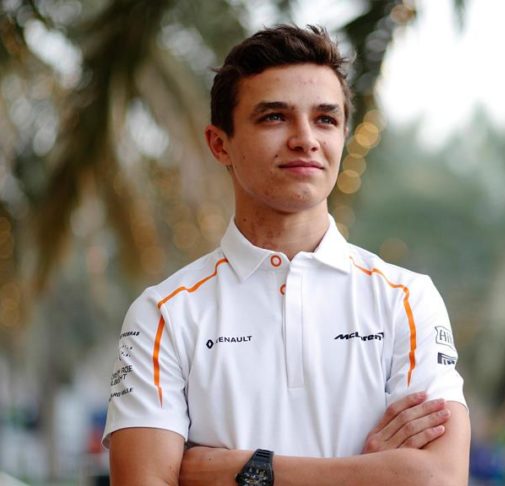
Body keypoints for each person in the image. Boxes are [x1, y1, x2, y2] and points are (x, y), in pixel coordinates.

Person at [103, 24, 470, 485]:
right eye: (275, 117)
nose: (305, 139)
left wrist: (243, 471)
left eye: (325, 119)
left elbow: (438, 478)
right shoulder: (164, 315)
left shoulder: (407, 300)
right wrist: (369, 473)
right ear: (220, 144)